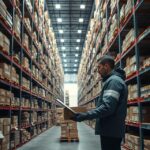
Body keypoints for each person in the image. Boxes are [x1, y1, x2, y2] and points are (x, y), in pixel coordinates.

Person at [71, 55, 128, 150]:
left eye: (99, 67)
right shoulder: (113, 81)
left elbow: (107, 108)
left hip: (111, 130)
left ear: (106, 66)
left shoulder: (113, 82)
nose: (98, 70)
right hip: (111, 129)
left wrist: (85, 115)